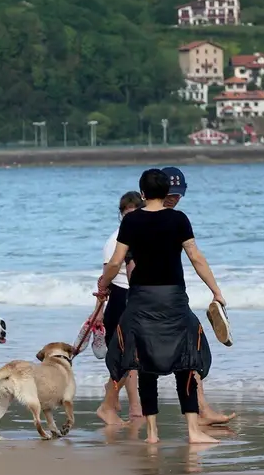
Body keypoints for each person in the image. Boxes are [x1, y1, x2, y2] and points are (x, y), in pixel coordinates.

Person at [98, 168, 226, 444]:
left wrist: (103, 283)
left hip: (142, 297)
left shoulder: (131, 222)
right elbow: (196, 257)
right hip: (173, 298)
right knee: (186, 359)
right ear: (166, 191)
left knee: (144, 362)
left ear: (143, 193)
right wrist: (216, 290)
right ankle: (193, 431)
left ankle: (152, 433)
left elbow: (116, 261)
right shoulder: (179, 219)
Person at [158, 166, 235, 427]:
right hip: (162, 299)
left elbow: (195, 257)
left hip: (159, 297)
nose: (174, 198)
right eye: (170, 193)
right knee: (191, 348)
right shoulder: (170, 220)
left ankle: (201, 410)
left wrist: (216, 290)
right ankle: (199, 412)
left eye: (178, 194)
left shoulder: (144, 218)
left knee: (142, 357)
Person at [95, 190, 145, 426]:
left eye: (136, 213)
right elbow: (104, 281)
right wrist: (98, 311)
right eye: (127, 215)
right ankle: (128, 406)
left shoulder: (146, 235)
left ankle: (133, 406)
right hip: (120, 297)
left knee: (135, 358)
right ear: (121, 215)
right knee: (129, 357)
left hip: (140, 295)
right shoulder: (115, 240)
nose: (132, 219)